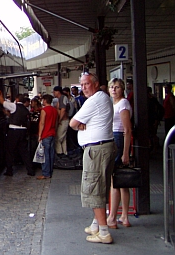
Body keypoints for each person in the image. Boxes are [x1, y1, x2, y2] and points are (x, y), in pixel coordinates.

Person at [69, 72, 116, 244]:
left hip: (96, 150)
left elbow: (72, 123)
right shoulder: (103, 98)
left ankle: (103, 232)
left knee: (94, 188)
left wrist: (80, 125)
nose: (83, 88)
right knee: (101, 186)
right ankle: (97, 224)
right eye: (81, 85)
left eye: (86, 84)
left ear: (95, 84)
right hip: (104, 147)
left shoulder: (94, 100)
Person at [106, 78, 132, 229]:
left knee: (114, 181)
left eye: (116, 87)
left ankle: (112, 218)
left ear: (122, 89)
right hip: (115, 138)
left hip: (118, 139)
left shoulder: (123, 104)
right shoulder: (115, 103)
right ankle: (124, 216)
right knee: (123, 182)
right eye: (111, 87)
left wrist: (125, 153)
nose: (114, 90)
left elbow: (127, 130)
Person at [0, 91, 35, 176]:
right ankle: (30, 170)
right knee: (24, 152)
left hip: (14, 130)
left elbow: (2, 102)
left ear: (17, 99)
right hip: (23, 131)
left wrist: (0, 94)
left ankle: (9, 170)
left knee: (9, 151)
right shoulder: (26, 109)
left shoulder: (14, 106)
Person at [37, 94, 58, 179]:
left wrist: (39, 135)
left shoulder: (44, 110)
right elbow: (56, 123)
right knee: (51, 154)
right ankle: (50, 171)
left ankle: (46, 173)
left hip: (46, 134)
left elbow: (42, 123)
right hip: (52, 133)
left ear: (45, 100)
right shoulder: (55, 110)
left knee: (45, 155)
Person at [53, 86, 69, 157]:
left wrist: (60, 119)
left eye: (54, 92)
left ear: (57, 91)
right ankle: (64, 152)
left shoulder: (62, 98)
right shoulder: (61, 98)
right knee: (63, 138)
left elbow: (63, 109)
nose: (53, 93)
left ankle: (60, 153)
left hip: (63, 120)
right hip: (63, 120)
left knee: (58, 138)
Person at [147, 87, 164, 151]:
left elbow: (158, 109)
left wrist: (157, 119)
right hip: (151, 119)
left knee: (153, 134)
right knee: (151, 134)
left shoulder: (152, 100)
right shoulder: (150, 99)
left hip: (153, 119)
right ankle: (153, 146)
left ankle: (155, 147)